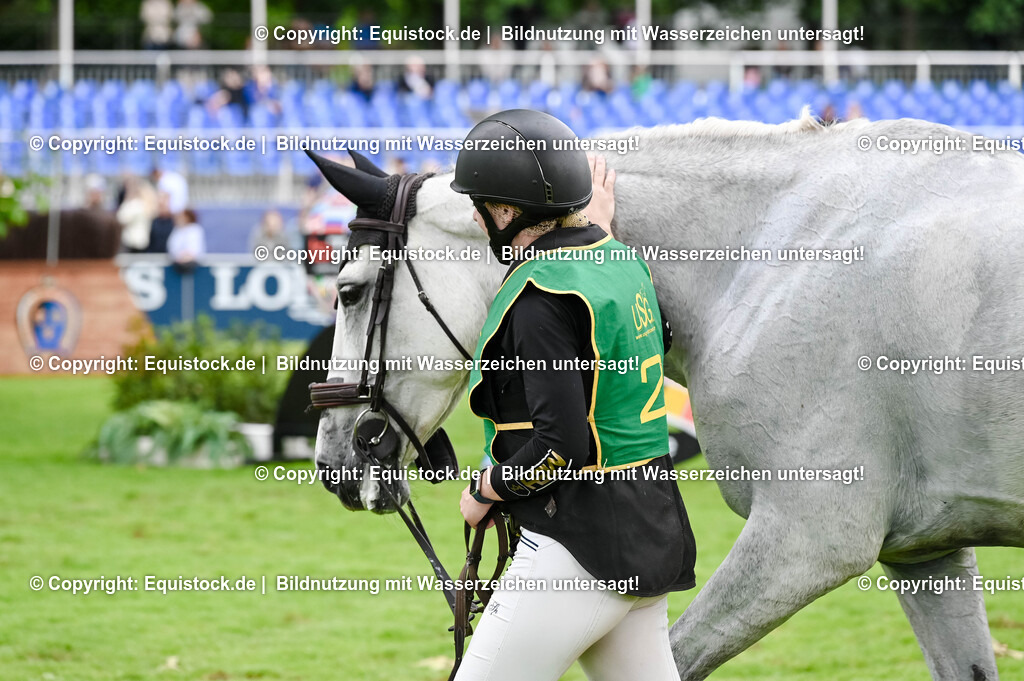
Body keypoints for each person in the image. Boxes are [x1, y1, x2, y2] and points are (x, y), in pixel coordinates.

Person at [450, 109, 696, 681]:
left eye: (480, 207)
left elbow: (560, 449)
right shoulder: (620, 260)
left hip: (578, 545)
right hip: (650, 525)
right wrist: (600, 234)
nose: (479, 219)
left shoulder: (540, 299)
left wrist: (484, 490)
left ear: (506, 212)